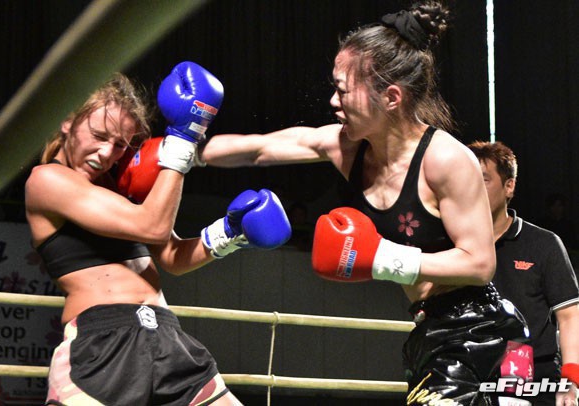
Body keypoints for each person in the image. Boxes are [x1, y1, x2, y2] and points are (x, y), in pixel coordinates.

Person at [198, 1, 528, 404]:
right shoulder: (346, 148)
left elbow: (479, 264)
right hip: (430, 333)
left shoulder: (445, 159)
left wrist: (382, 257)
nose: (333, 101)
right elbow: (259, 150)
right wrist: (183, 148)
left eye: (343, 90)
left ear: (390, 97)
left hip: (481, 335)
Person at [25, 62, 291, 405]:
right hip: (103, 346)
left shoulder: (120, 189)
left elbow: (173, 257)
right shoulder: (47, 180)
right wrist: (185, 137)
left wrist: (229, 233)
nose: (107, 153)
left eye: (120, 145)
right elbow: (151, 226)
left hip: (167, 338)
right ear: (67, 121)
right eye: (100, 136)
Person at [469, 140, 579, 406]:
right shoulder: (450, 242)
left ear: (509, 186)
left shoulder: (543, 244)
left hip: (535, 378)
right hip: (470, 374)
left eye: (483, 179)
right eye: (467, 179)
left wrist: (571, 380)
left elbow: (569, 316)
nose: (472, 187)